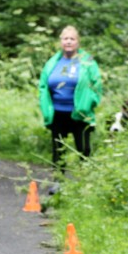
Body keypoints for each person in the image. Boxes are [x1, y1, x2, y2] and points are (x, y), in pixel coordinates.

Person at [38, 25, 102, 169]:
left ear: (78, 42)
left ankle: (86, 183)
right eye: (65, 39)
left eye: (72, 39)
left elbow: (96, 84)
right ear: (61, 42)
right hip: (57, 113)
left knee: (84, 150)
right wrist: (44, 106)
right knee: (58, 150)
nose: (68, 42)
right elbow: (42, 85)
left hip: (80, 113)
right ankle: (58, 182)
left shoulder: (88, 60)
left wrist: (89, 104)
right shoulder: (53, 61)